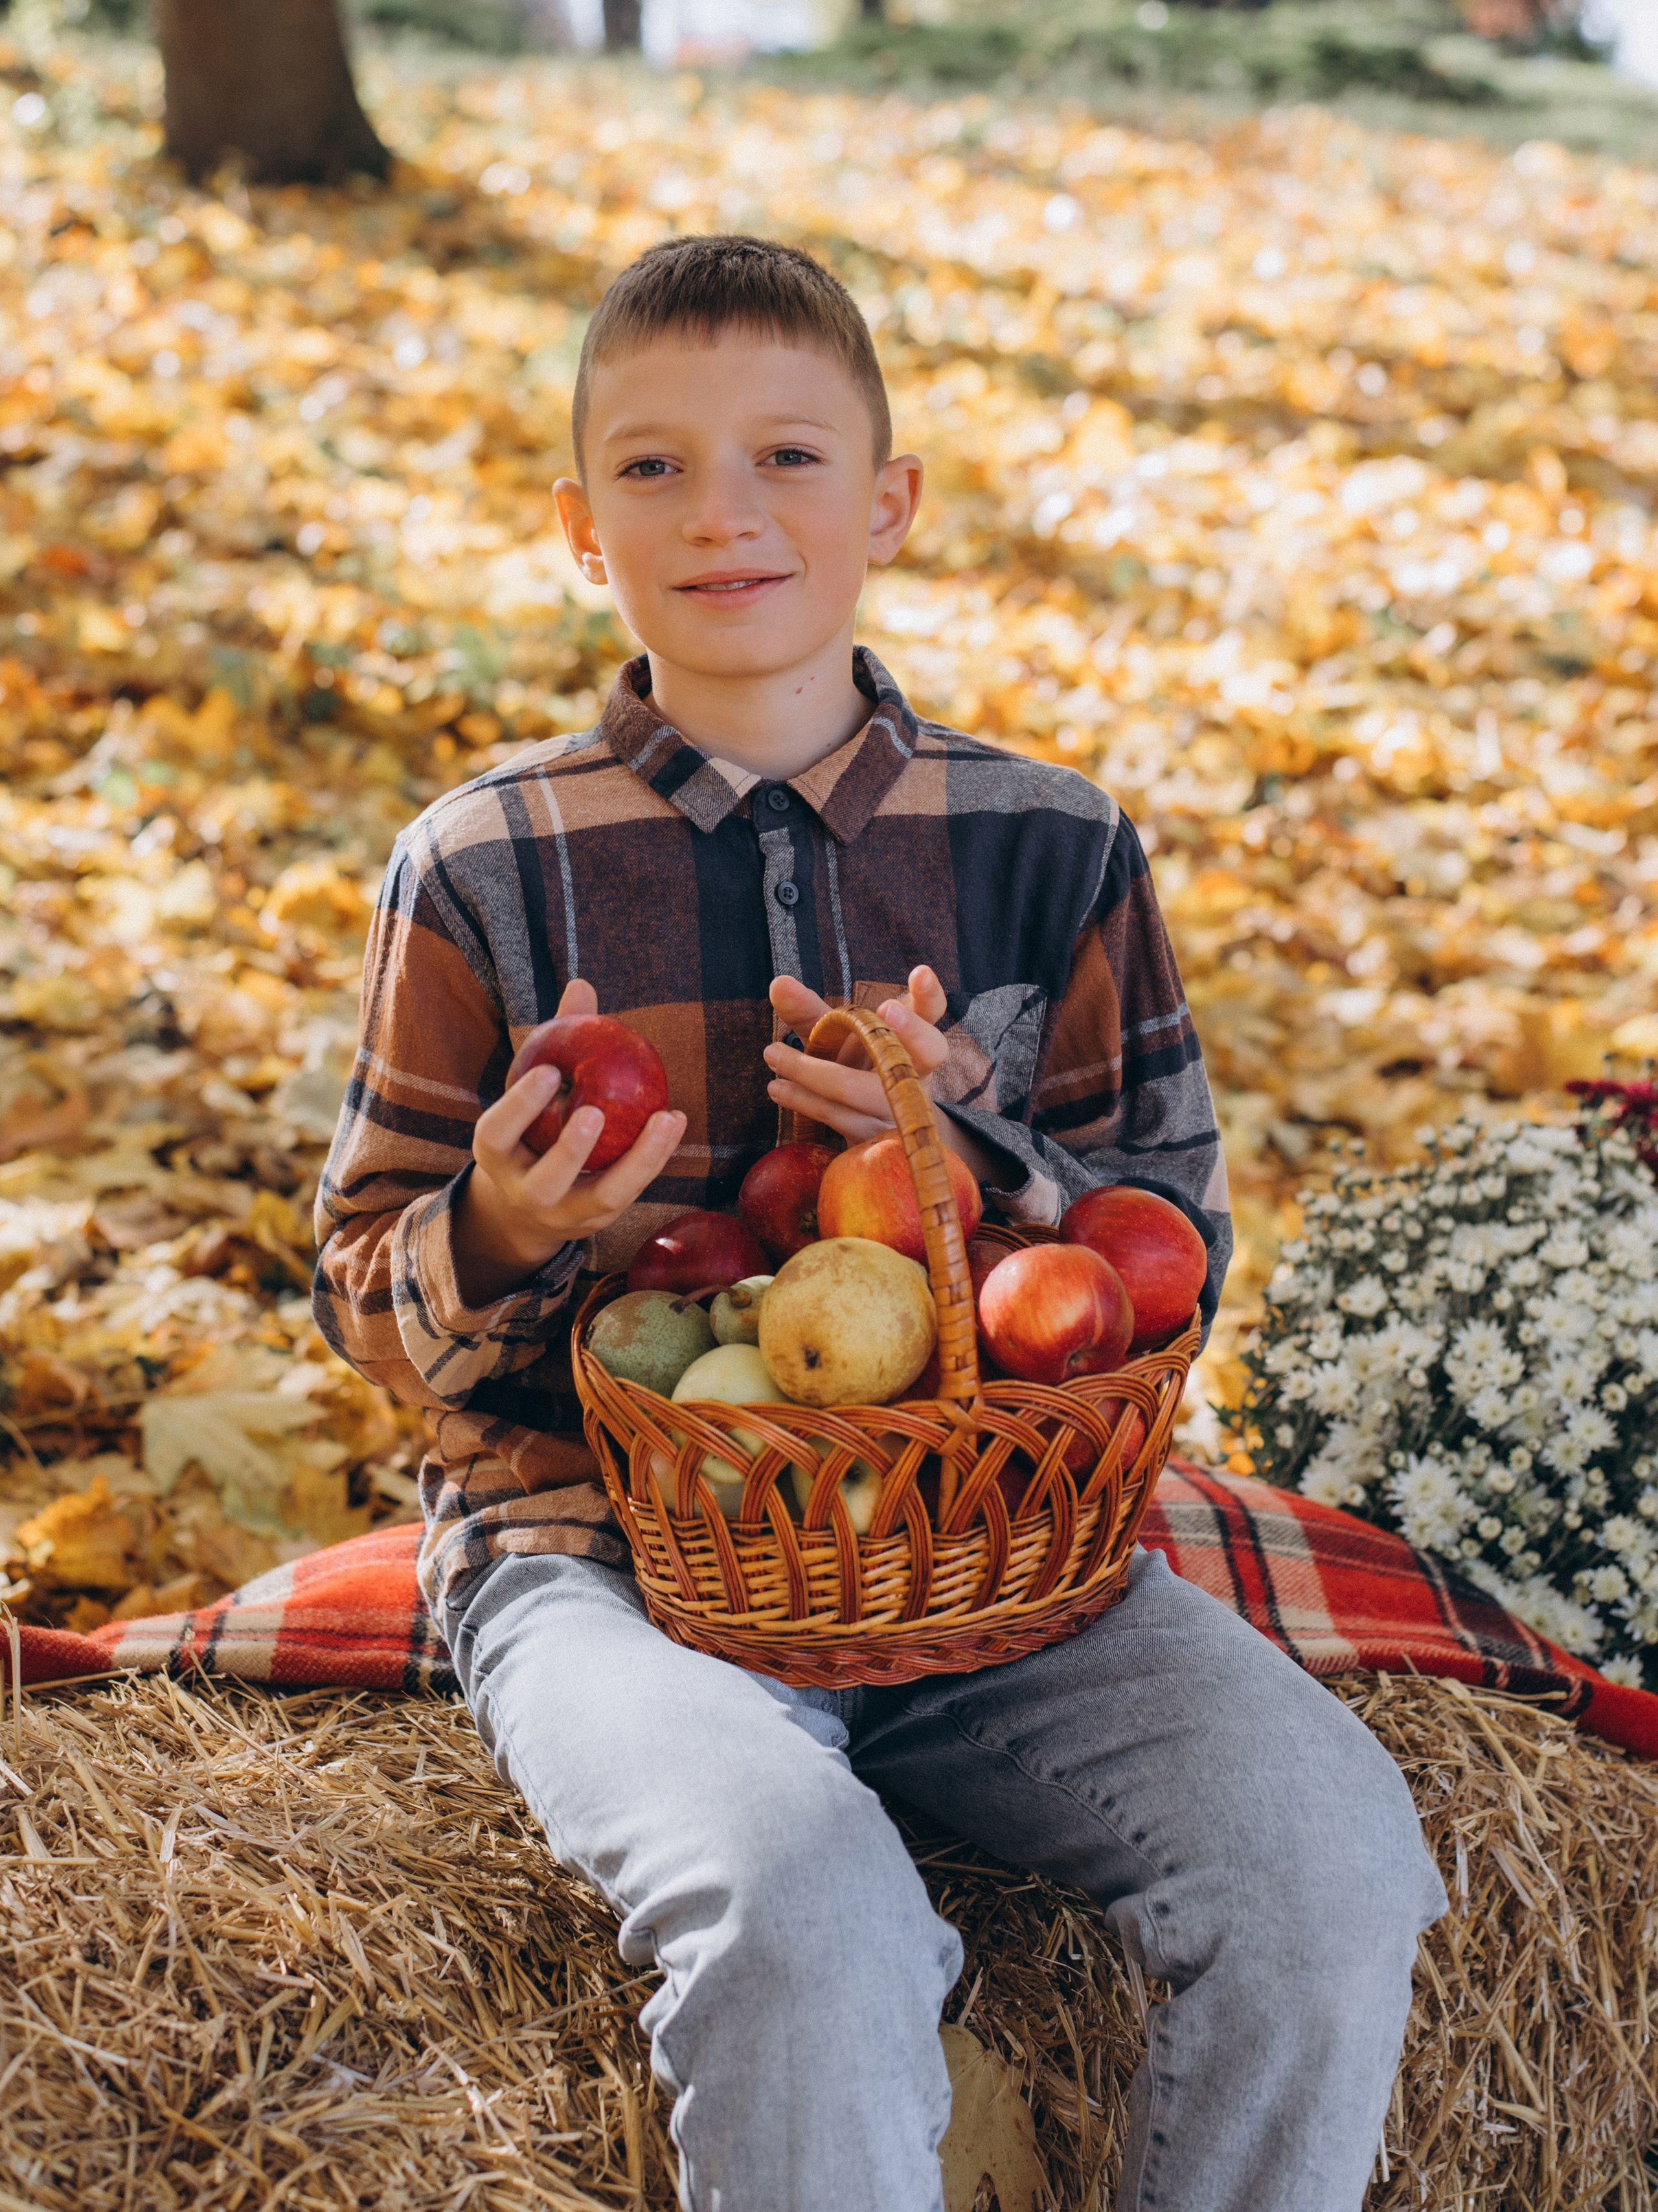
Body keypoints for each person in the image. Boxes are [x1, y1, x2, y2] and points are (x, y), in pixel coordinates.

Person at [315, 233, 1445, 2212]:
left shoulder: (1048, 844)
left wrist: (980, 1159)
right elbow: (359, 1297)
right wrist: (494, 1222)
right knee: (798, 1902)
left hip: (1002, 1570)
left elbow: (1172, 1235)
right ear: (582, 530)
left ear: (891, 503)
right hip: (606, 1562)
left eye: (790, 458)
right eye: (653, 469)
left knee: (1334, 1858)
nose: (724, 514)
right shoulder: (485, 864)